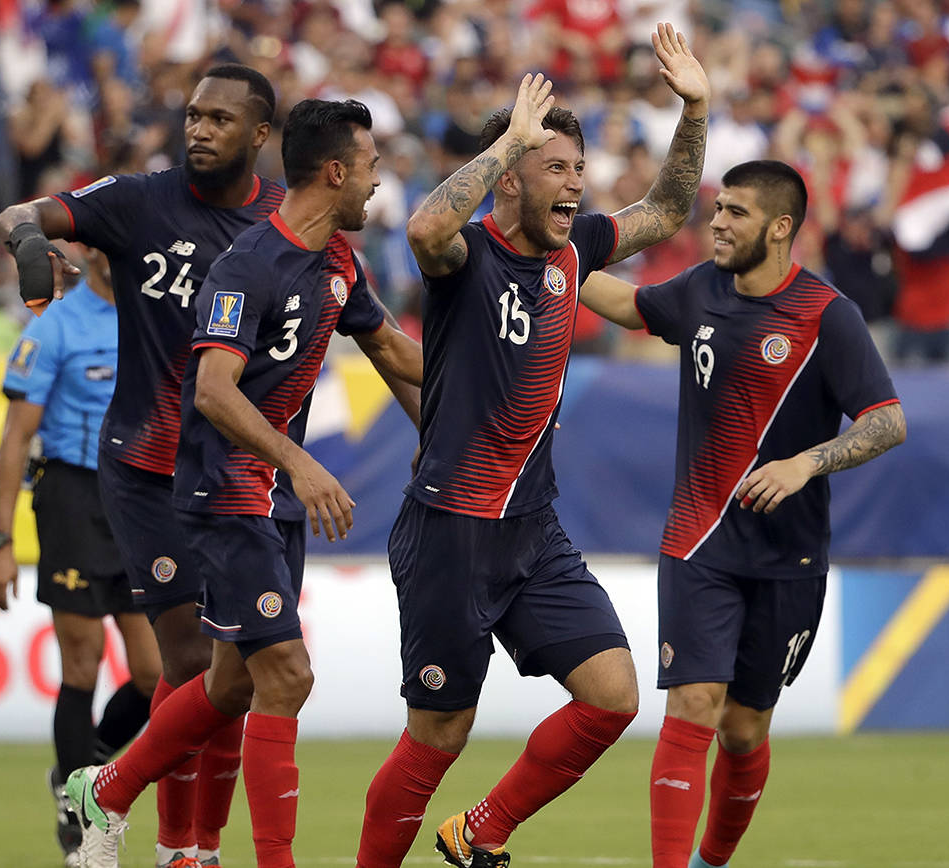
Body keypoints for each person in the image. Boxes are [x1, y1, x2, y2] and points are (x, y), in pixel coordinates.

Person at [355, 23, 710, 868]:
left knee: (614, 696)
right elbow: (425, 228)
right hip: (449, 531)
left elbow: (664, 209)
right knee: (438, 735)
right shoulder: (466, 256)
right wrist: (510, 137)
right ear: (509, 178)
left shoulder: (575, 252)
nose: (576, 187)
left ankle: (479, 830)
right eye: (557, 169)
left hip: (532, 530)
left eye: (579, 171)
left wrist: (695, 109)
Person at [63, 97, 423, 868]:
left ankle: (110, 789)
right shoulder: (247, 264)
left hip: (275, 500)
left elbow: (396, 355)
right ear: (335, 172)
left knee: (229, 683)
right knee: (287, 675)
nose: (377, 186)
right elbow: (214, 391)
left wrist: (490, 400)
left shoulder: (339, 264)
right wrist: (300, 460)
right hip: (224, 494)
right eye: (370, 170)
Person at [0, 63, 287, 868]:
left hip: (233, 473)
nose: (199, 129)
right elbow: (22, 210)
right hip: (142, 468)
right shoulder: (137, 201)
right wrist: (26, 239)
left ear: (260, 136)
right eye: (194, 115)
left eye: (221, 119)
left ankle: (172, 833)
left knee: (228, 673)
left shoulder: (286, 225)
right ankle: (144, 823)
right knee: (189, 662)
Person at [577, 160, 906, 868]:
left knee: (745, 727)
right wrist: (549, 255)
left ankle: (713, 861)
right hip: (698, 542)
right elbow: (633, 306)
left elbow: (888, 420)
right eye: (717, 208)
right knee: (694, 701)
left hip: (789, 556)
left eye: (735, 212)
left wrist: (805, 463)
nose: (717, 222)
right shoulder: (700, 289)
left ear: (780, 228)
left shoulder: (826, 315)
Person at [0, 246, 161, 868]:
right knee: (81, 664)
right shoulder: (55, 327)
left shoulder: (150, 313)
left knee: (153, 674)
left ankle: (83, 768)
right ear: (85, 253)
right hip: (72, 497)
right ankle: (79, 808)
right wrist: (0, 543)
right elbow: (16, 438)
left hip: (136, 495)